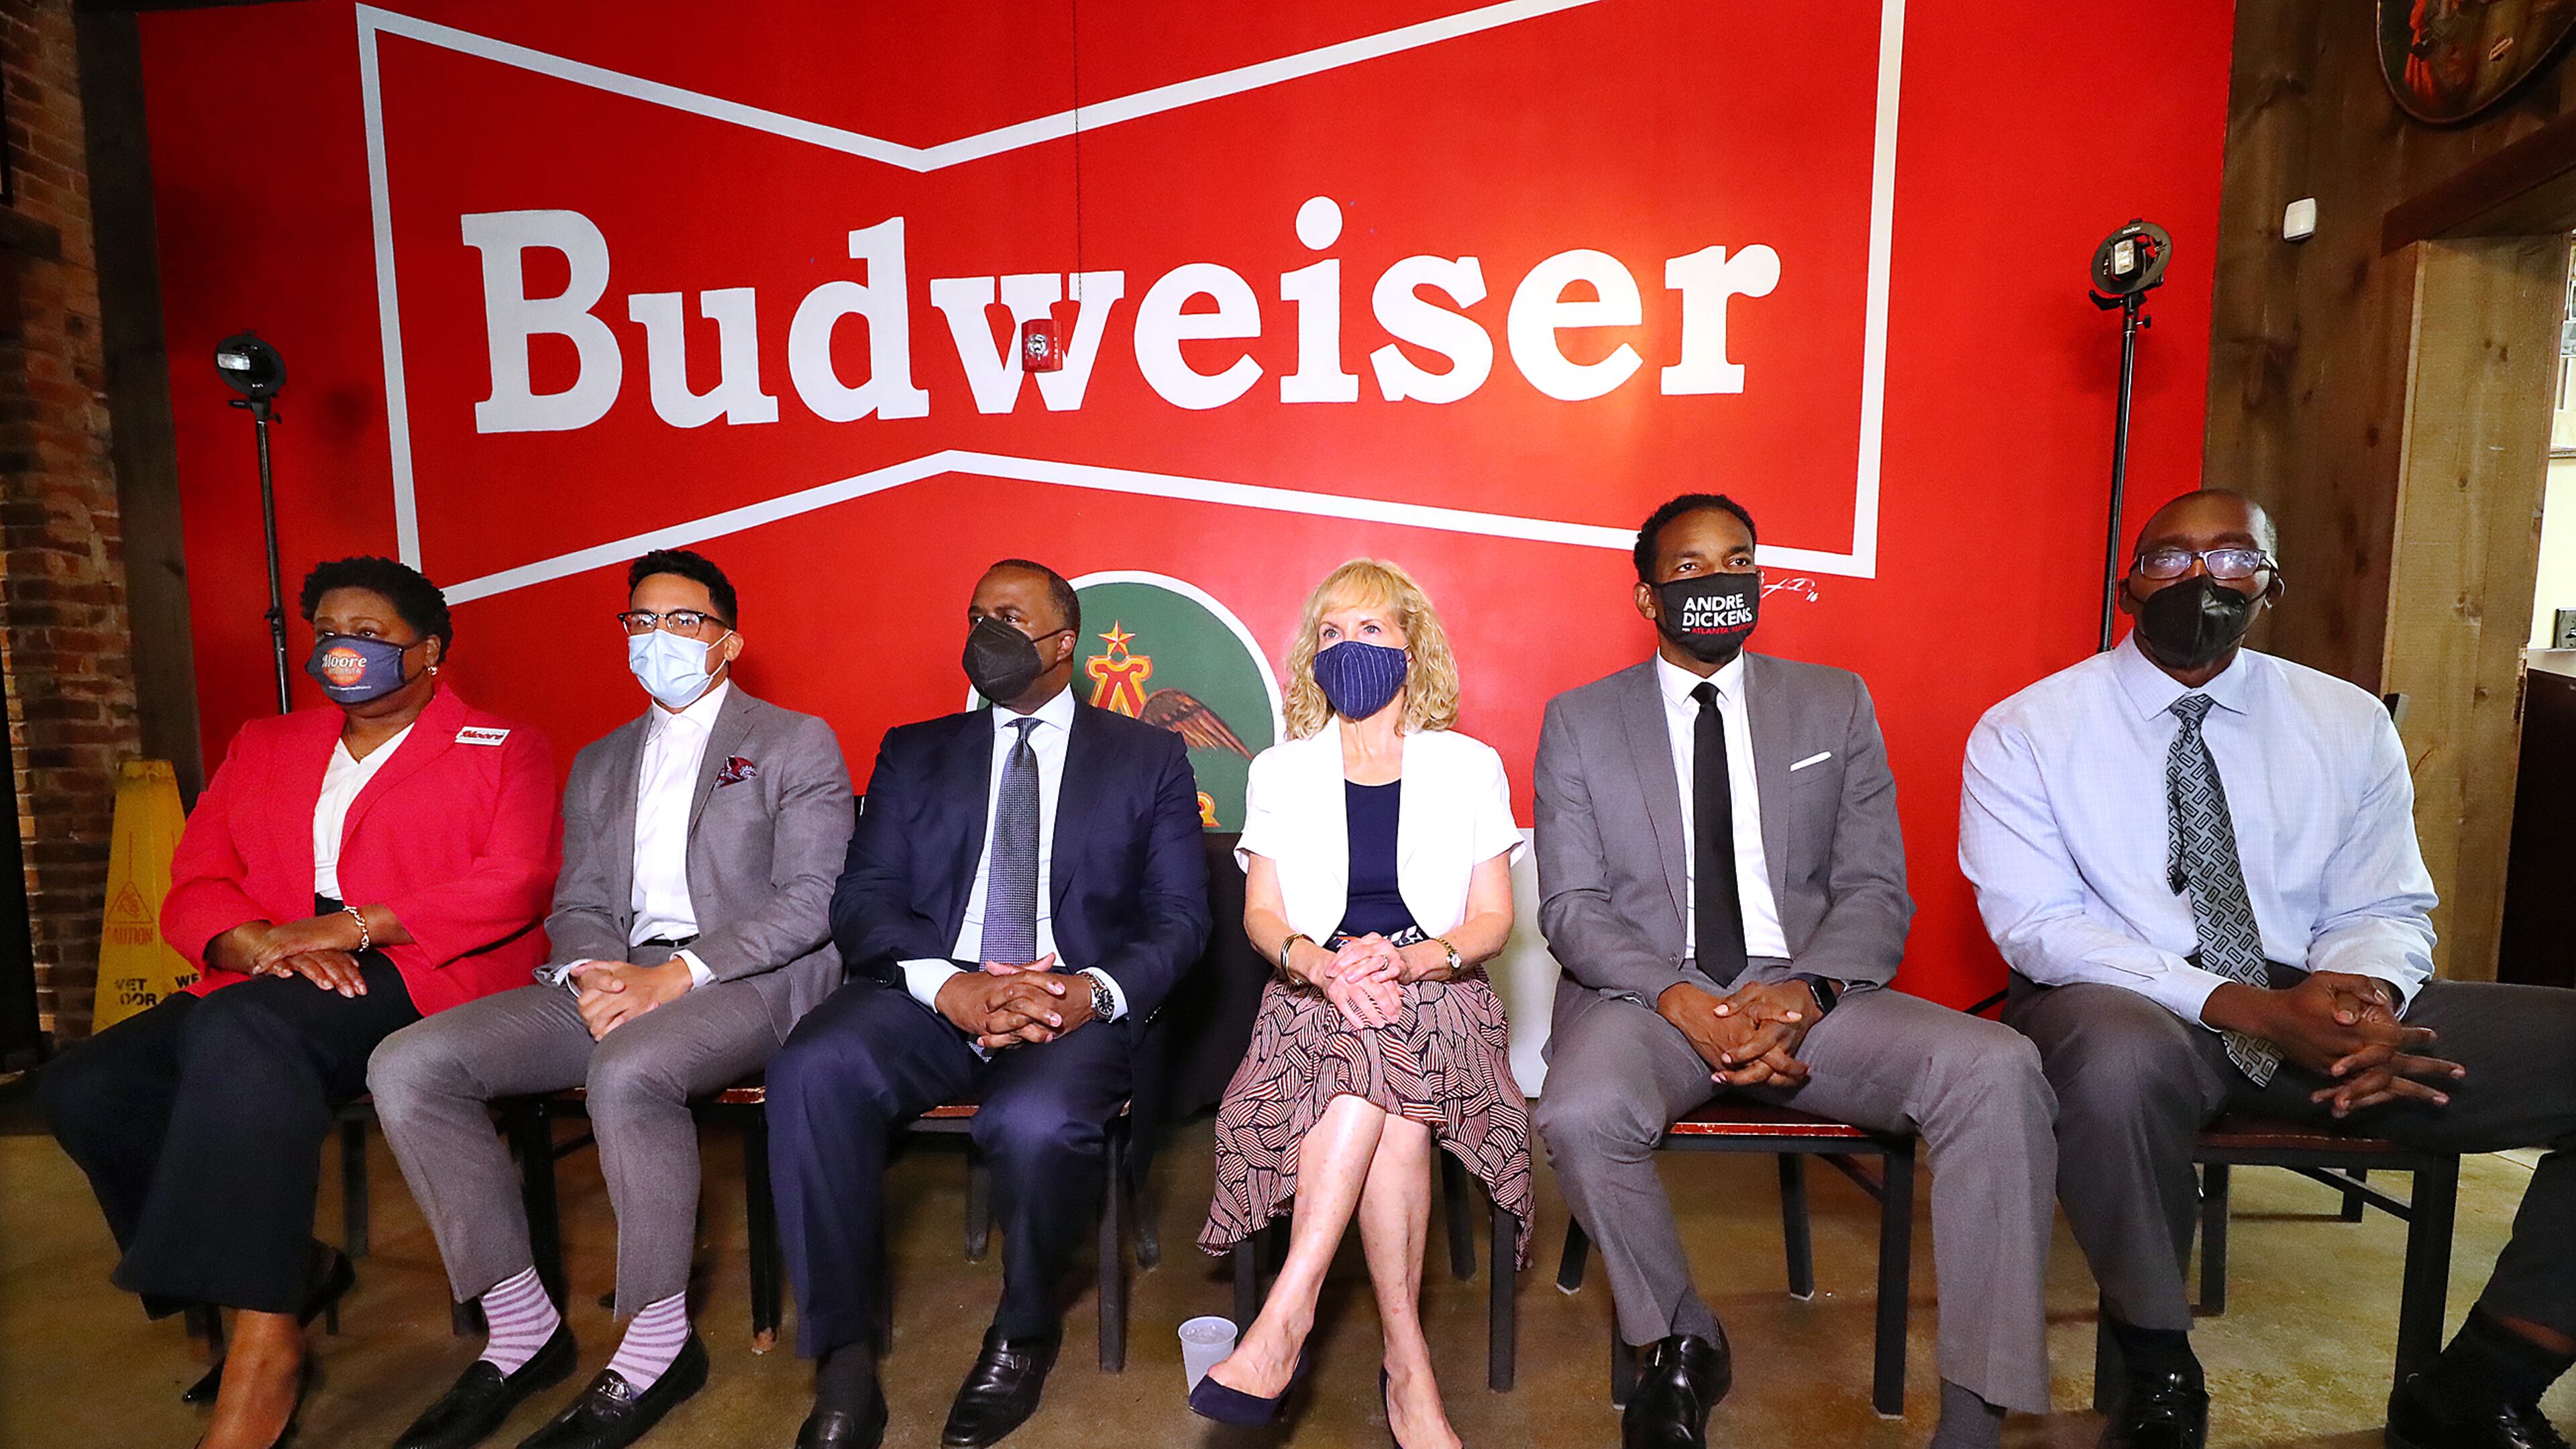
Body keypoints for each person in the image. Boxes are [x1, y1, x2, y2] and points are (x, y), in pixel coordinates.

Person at [1962, 488, 2576, 1449]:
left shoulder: (2345, 722)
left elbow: (2384, 901)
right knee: (2110, 1062)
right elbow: (2038, 927)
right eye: (2172, 558)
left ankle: (2486, 1379)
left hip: (2326, 992)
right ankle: (2160, 1372)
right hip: (2143, 998)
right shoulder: (2026, 730)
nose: (2201, 577)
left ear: (2271, 585)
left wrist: (2363, 998)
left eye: (2233, 557)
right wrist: (2249, 1006)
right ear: (2130, 585)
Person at [1533, 494, 2058, 1449]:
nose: (1719, 582)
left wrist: (1807, 995)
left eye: (1738, 560)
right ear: (1648, 594)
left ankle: (1979, 1412)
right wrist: (1681, 999)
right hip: (1653, 997)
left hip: (1813, 991)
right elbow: (1572, 906)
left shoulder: (1834, 701)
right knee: (1577, 1111)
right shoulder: (1580, 721)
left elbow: (1875, 886)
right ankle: (1682, 1338)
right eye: (1690, 568)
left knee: (1997, 1067)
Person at [38, 557, 557, 1449]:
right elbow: (196, 878)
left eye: (369, 636)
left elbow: (514, 882)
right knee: (88, 1086)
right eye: (328, 636)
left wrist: (349, 930)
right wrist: (256, 942)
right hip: (269, 961)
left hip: (419, 965)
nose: (343, 653)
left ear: (428, 651)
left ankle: (266, 1344)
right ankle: (291, 1267)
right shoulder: (265, 743)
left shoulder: (504, 746)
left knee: (242, 1030)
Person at [368, 549, 853, 1449]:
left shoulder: (793, 741)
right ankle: (523, 1334)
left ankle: (659, 1347)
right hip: (616, 973)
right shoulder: (600, 760)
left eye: (684, 621)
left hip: (751, 980)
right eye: (641, 621)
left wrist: (674, 977)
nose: (658, 638)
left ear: (729, 641)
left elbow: (814, 902)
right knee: (410, 1063)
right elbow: (582, 901)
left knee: (629, 1070)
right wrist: (596, 978)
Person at [766, 558, 1210, 1449]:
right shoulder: (914, 749)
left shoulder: (1147, 756)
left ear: (1064, 642)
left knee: (1037, 1123)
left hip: (1065, 1002)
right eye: (975, 615)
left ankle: (1024, 1329)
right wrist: (952, 986)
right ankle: (845, 1357)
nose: (985, 633)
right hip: (935, 993)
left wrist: (1093, 991)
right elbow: (862, 900)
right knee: (812, 1069)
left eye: (1008, 616)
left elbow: (1181, 919)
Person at [1189, 559, 1532, 1448]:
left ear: (1413, 649)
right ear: (1313, 655)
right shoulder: (1280, 770)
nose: (1352, 647)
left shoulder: (1468, 765)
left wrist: (1409, 961)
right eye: (1333, 633)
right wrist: (1323, 965)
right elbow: (1261, 915)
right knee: (1386, 1090)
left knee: (1375, 1060)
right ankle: (1408, 1367)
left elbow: (1492, 922)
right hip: (1312, 993)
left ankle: (1285, 1316)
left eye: (1373, 629)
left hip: (1441, 988)